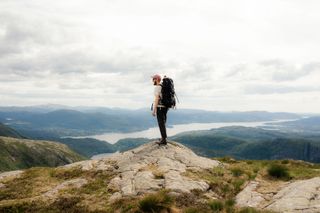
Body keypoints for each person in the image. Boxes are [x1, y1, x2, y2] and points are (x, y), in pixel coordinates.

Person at [151, 74, 169, 145]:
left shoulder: (158, 87)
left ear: (157, 79)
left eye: (153, 79)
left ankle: (164, 140)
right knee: (163, 122)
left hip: (160, 107)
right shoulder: (163, 86)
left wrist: (154, 110)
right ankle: (163, 138)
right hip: (165, 107)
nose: (153, 81)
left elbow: (157, 98)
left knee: (161, 123)